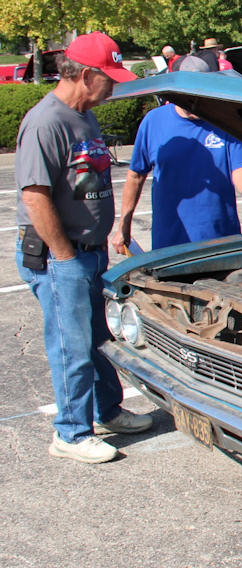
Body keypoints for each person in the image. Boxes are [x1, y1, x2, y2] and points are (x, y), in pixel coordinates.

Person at [14, 32, 152, 464]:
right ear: (87, 75)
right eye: (109, 78)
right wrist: (65, 256)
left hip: (88, 251)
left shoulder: (84, 117)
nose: (113, 88)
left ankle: (106, 411)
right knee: (71, 346)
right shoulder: (46, 121)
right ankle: (71, 433)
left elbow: (84, 186)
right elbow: (35, 196)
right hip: (61, 256)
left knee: (99, 338)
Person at [114, 56, 242, 252]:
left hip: (221, 237)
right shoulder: (153, 121)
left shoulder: (224, 121)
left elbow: (239, 168)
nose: (195, 99)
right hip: (169, 239)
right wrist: (124, 225)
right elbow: (135, 176)